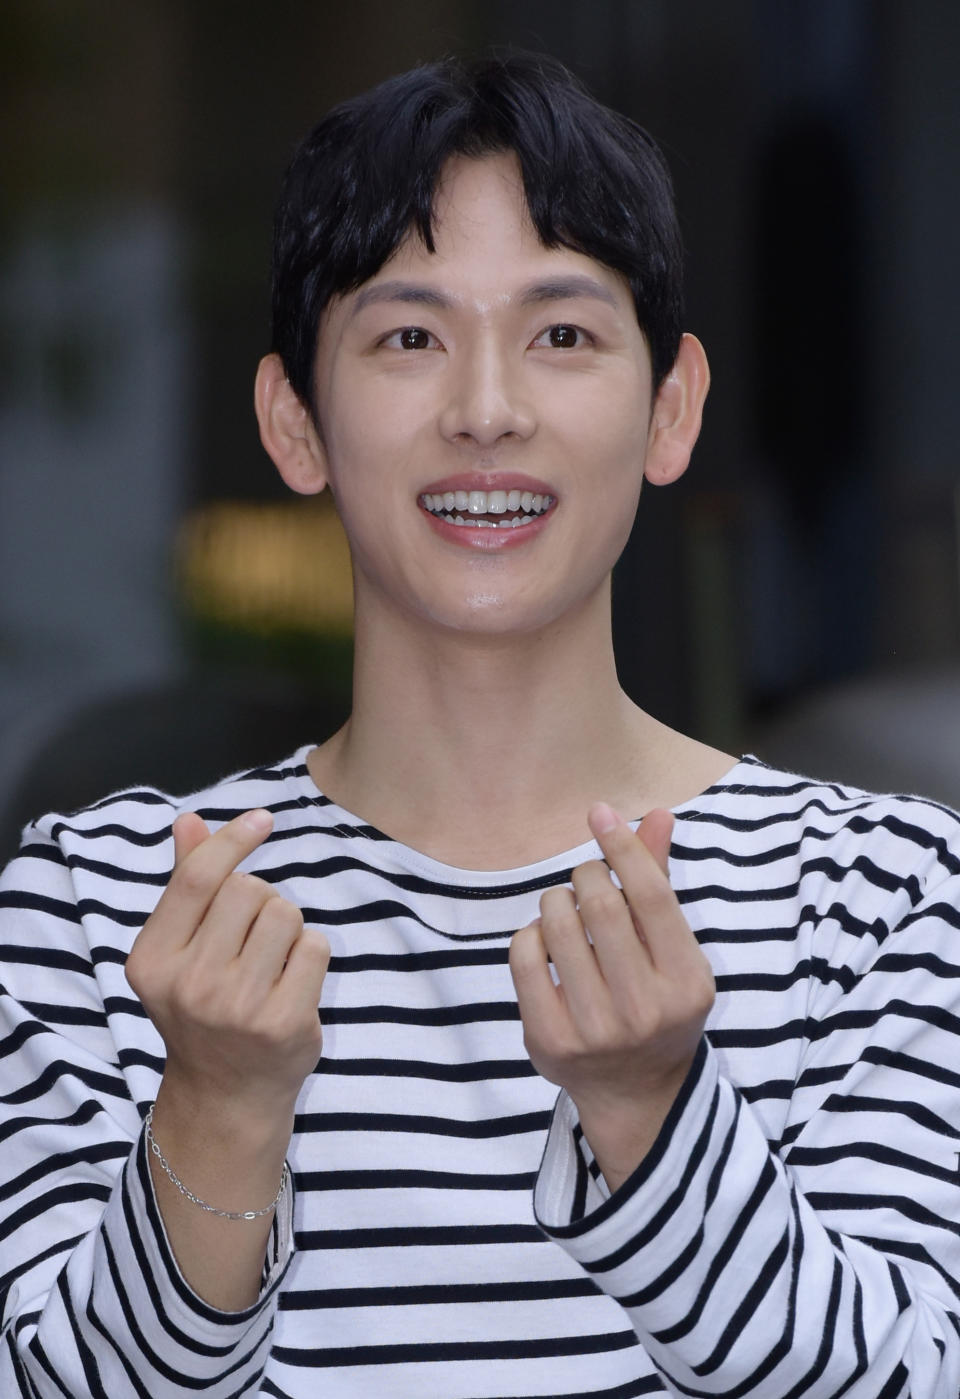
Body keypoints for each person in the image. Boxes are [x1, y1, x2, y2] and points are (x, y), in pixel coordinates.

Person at [1, 51, 959, 1399]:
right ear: (294, 421)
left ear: (670, 408)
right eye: (409, 337)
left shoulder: (886, 898)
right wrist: (213, 1111)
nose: (487, 412)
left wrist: (655, 1116)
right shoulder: (100, 913)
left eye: (562, 334)